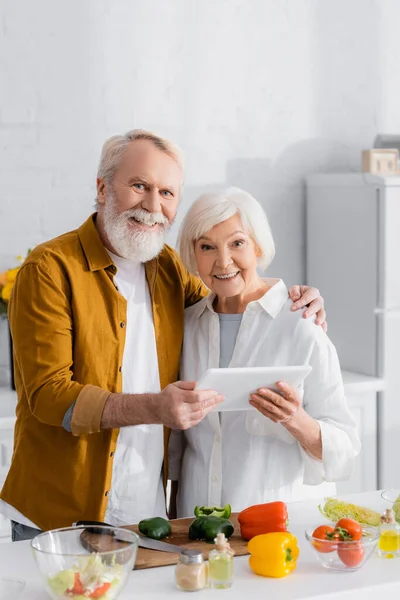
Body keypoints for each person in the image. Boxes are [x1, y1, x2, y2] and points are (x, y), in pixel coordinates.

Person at [0, 130, 326, 541]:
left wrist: (295, 296)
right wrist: (157, 407)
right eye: (139, 186)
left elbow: (226, 292)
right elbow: (48, 396)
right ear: (102, 188)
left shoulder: (167, 267)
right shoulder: (50, 268)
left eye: (168, 193)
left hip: (146, 516)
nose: (153, 206)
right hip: (58, 517)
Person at [168, 187, 360, 519]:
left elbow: (345, 449)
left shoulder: (300, 323)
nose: (223, 261)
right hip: (196, 524)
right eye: (207, 247)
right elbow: (179, 444)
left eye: (237, 243)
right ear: (193, 254)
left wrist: (294, 420)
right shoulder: (186, 326)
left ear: (257, 245)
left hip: (275, 527)